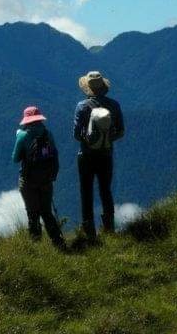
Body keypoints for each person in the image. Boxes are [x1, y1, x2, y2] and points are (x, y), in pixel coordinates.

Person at [72, 70, 125, 239]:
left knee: (86, 192)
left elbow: (75, 134)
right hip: (106, 154)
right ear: (103, 86)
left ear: (88, 88)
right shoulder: (114, 105)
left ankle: (89, 232)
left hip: (86, 156)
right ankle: (109, 228)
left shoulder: (82, 106)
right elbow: (121, 131)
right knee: (105, 191)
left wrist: (89, 140)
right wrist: (107, 140)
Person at [13, 105, 66, 249]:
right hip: (46, 179)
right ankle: (58, 242)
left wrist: (19, 137)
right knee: (47, 212)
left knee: (32, 213)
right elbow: (54, 155)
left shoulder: (23, 135)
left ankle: (35, 245)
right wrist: (53, 175)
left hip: (28, 179)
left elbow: (15, 158)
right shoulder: (48, 134)